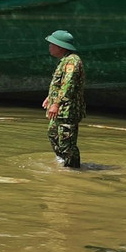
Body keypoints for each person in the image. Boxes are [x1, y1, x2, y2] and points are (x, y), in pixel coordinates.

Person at [43, 29, 86, 168]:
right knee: (53, 134)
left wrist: (56, 103)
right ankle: (63, 162)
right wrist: (50, 97)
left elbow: (68, 84)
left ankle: (73, 170)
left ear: (60, 46)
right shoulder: (64, 61)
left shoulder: (72, 61)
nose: (49, 47)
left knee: (66, 142)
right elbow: (59, 84)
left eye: (52, 44)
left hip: (68, 110)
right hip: (60, 108)